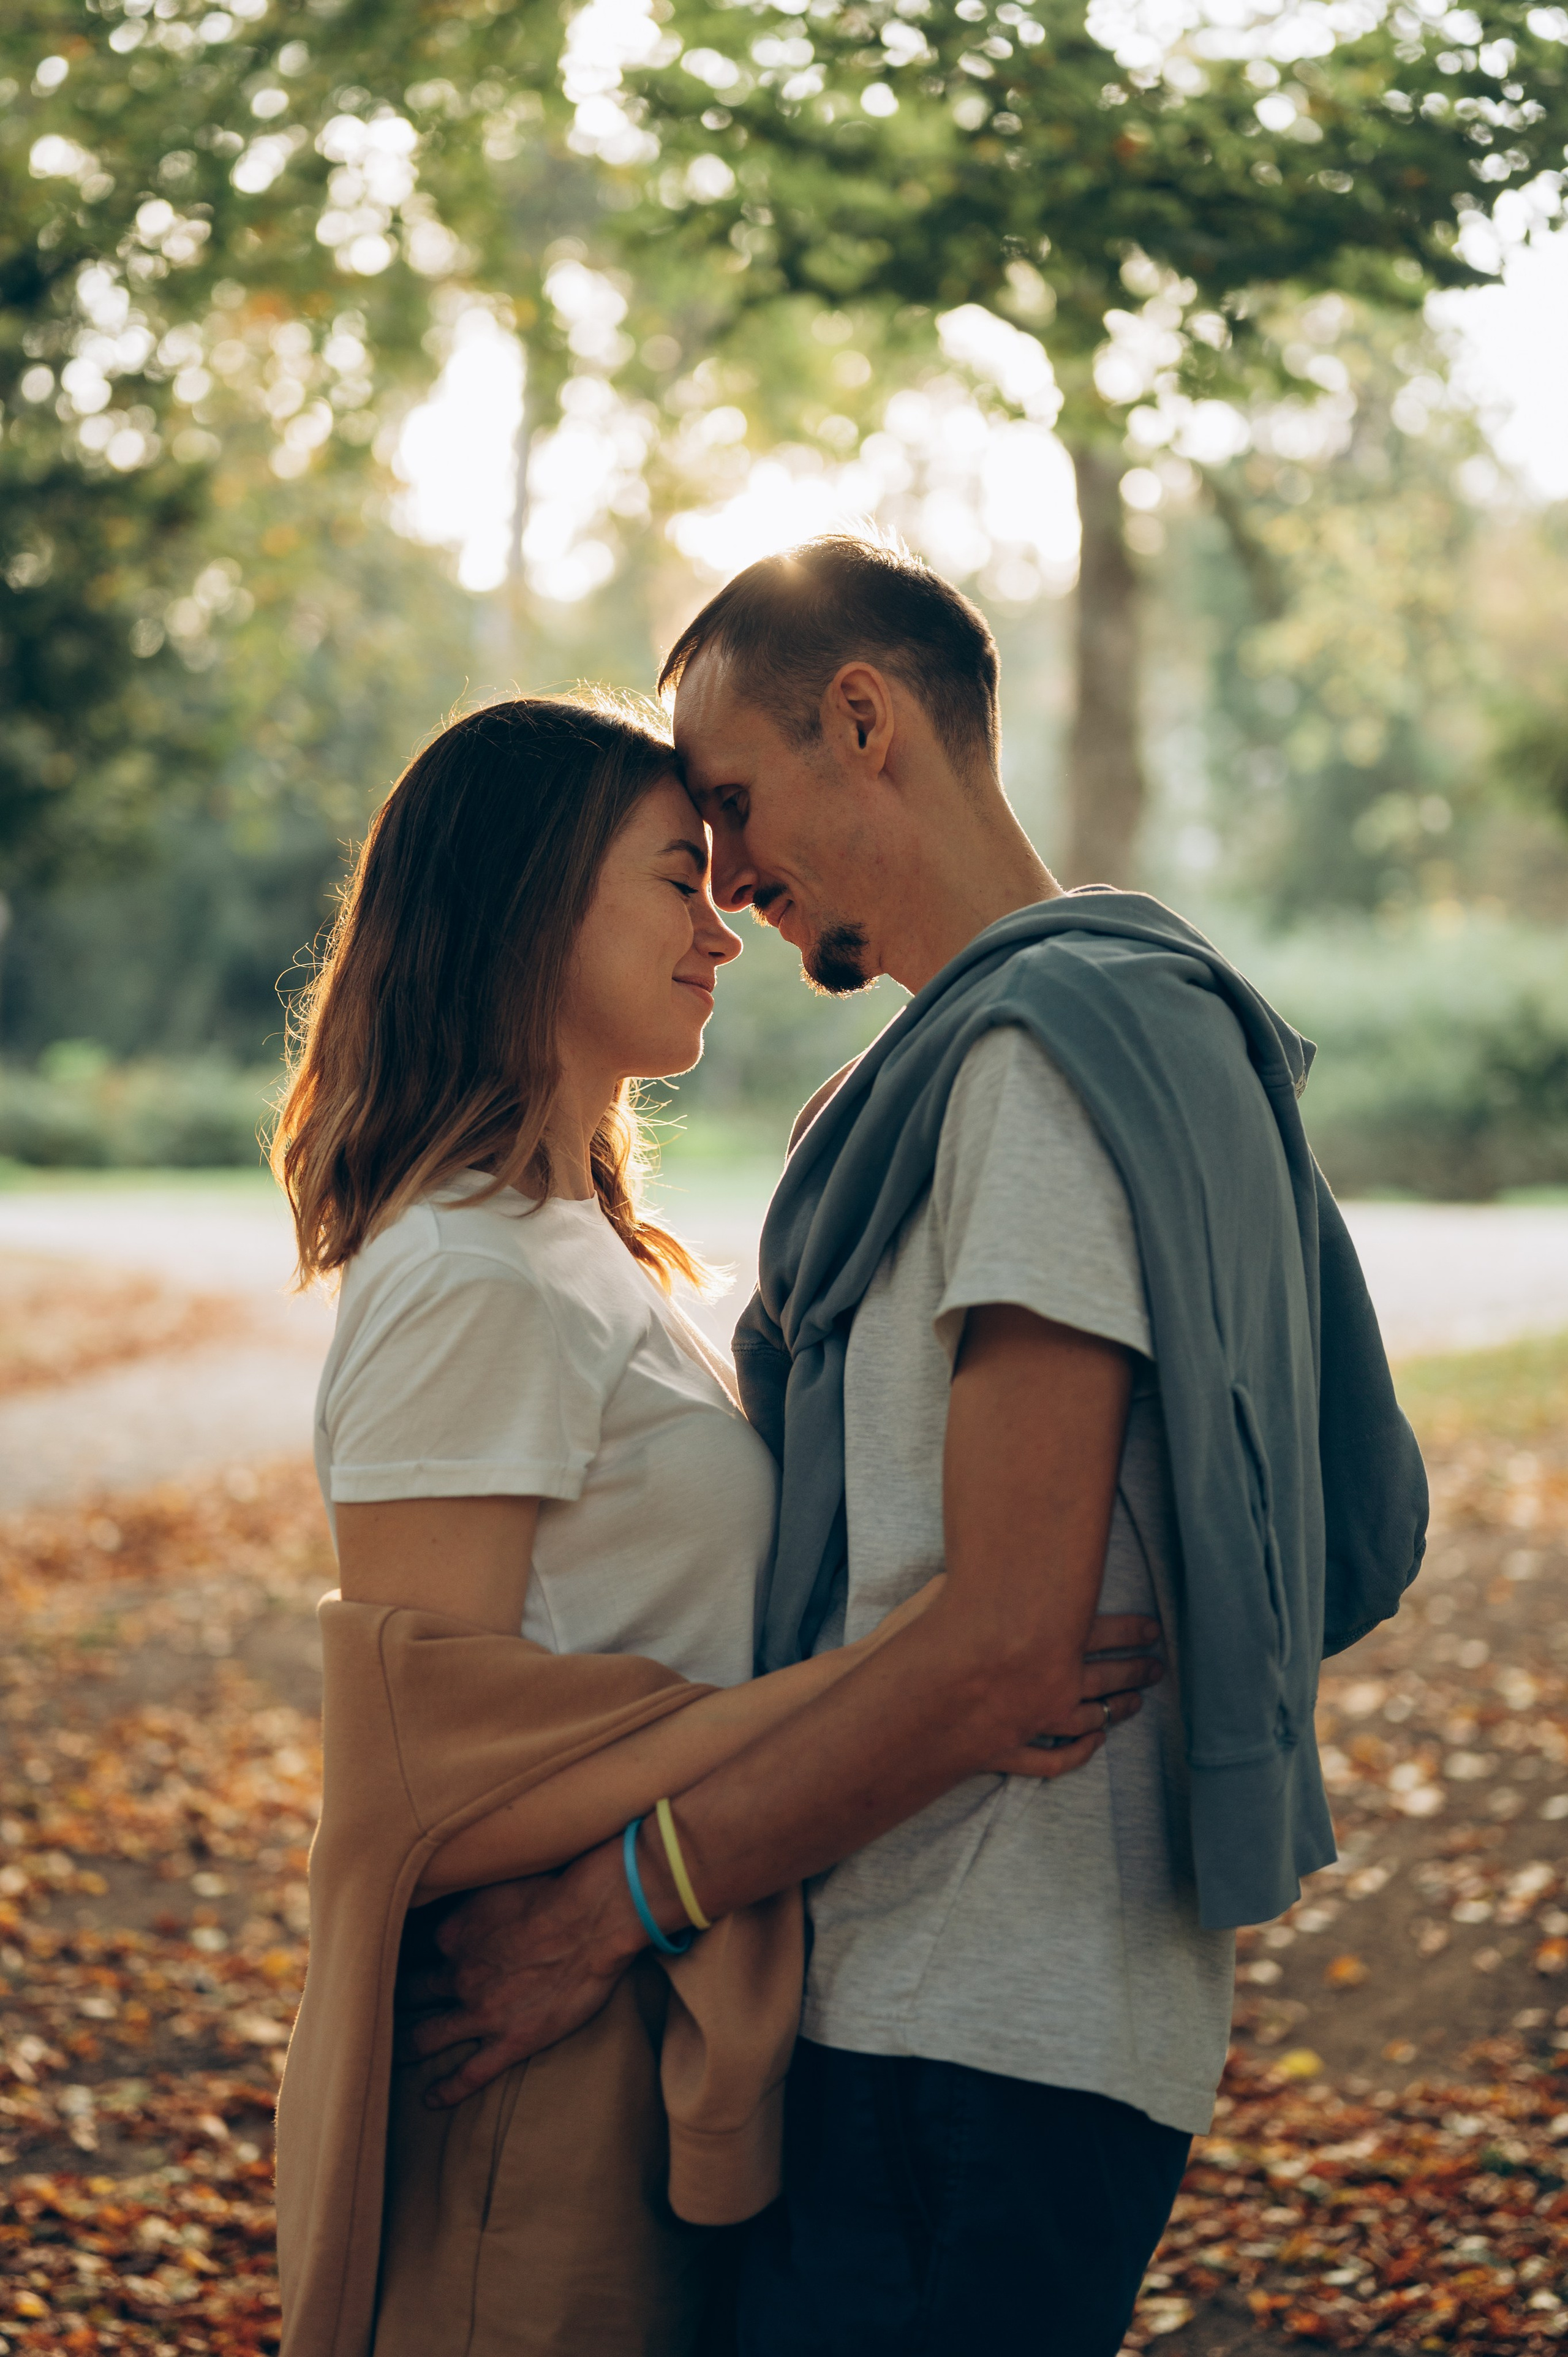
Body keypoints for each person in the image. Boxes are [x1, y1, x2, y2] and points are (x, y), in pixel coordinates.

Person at [412, 542, 1428, 2355]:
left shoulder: (1036, 1068)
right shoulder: (986, 1063)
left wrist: (605, 1907)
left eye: (729, 803)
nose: (722, 883)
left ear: (864, 721)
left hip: (976, 2024)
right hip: (922, 2000)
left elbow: (1004, 1646)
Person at [270, 691, 1160, 2357]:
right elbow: (437, 1784)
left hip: (640, 2014)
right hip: (520, 2064)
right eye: (677, 879)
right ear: (529, 908)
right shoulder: (462, 1274)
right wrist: (933, 1670)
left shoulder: (588, 1253)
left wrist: (932, 1671)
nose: (722, 930)